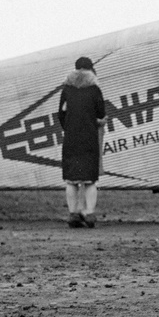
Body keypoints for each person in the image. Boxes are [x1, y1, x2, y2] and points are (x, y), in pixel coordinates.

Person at [58, 56, 106, 227]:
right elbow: (101, 113)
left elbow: (61, 115)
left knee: (71, 179)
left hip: (71, 138)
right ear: (91, 69)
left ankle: (74, 214)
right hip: (89, 137)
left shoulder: (67, 90)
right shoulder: (94, 89)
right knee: (90, 179)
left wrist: (70, 127)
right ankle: (89, 213)